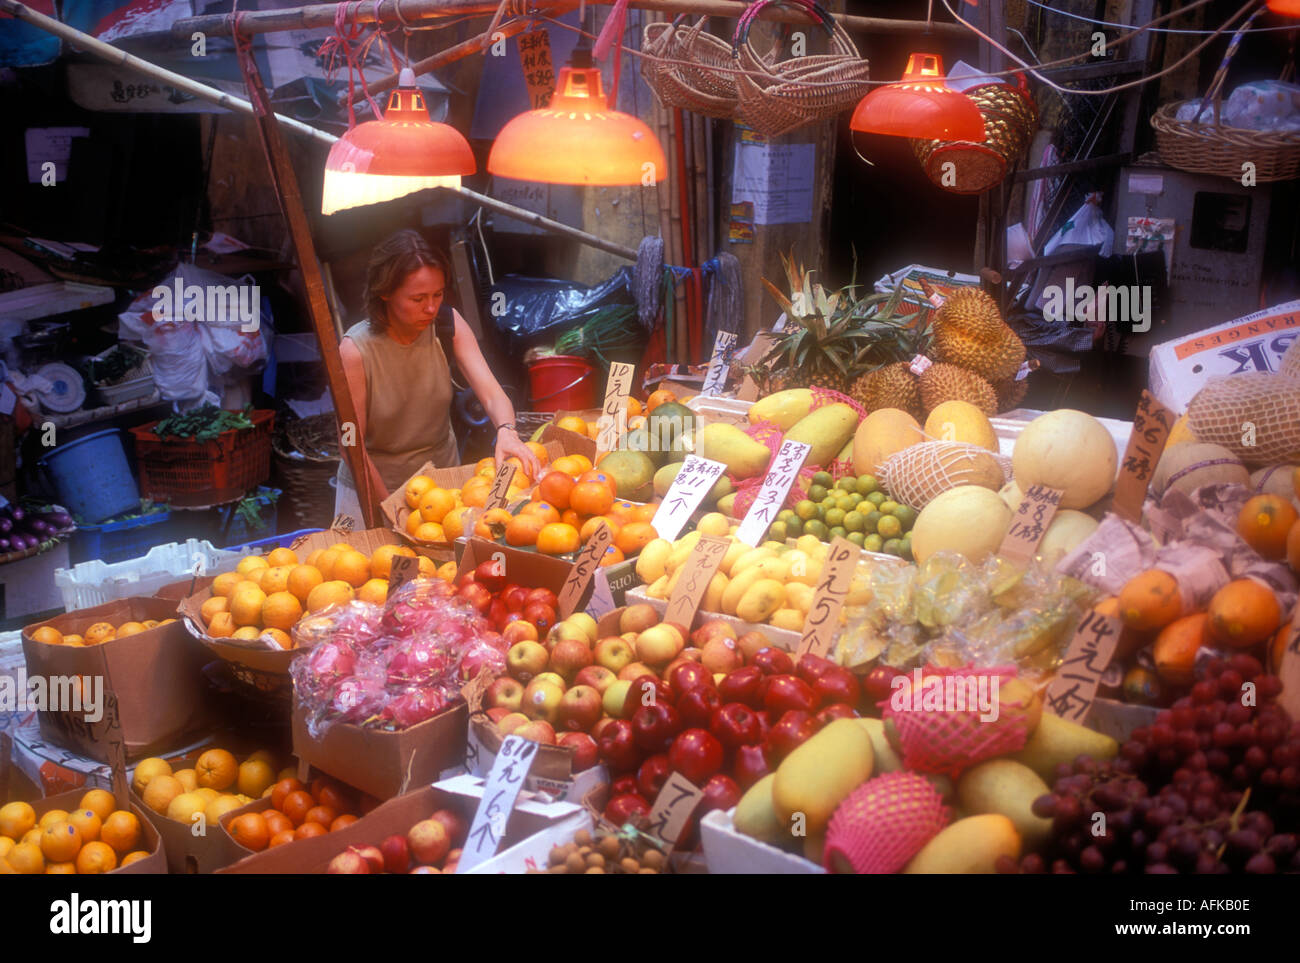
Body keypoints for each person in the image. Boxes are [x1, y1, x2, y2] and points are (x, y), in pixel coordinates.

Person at [333, 230, 540, 525]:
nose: (430, 308)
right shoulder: (355, 351)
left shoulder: (447, 324)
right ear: (385, 292)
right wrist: (390, 509)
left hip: (441, 488)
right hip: (371, 490)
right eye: (418, 298)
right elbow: (350, 444)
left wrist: (507, 430)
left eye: (437, 295)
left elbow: (493, 394)